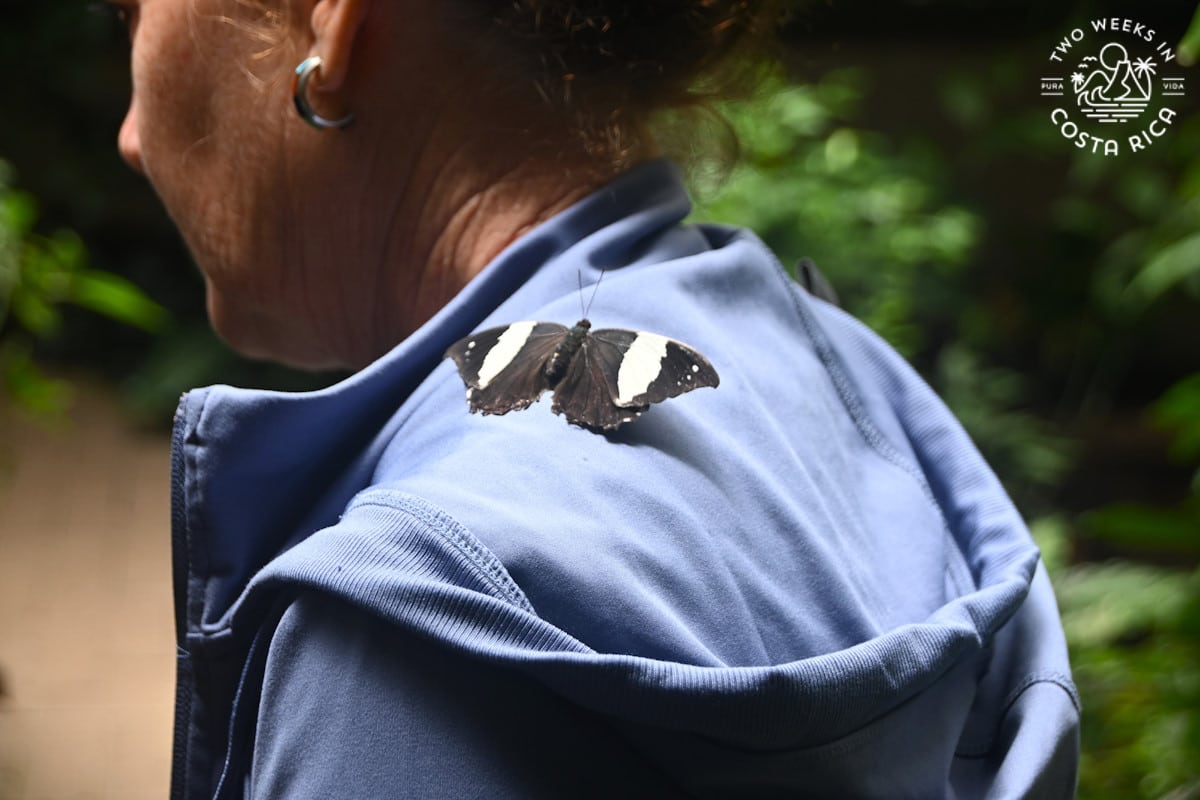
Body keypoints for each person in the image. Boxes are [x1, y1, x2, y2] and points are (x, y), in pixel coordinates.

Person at [112, 0, 1080, 796]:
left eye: (128, 12)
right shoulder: (837, 365)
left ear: (330, 25)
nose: (127, 137)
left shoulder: (404, 635)